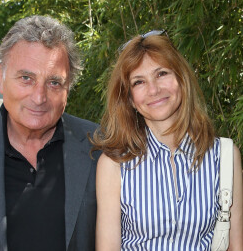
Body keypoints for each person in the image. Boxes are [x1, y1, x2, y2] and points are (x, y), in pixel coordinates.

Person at [0, 15, 101, 251]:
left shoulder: (99, 145)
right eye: (26, 78)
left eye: (54, 83)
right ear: (1, 76)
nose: (39, 97)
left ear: (68, 88)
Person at [92, 31, 243, 250]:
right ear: (130, 100)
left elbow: (235, 246)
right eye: (139, 82)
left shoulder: (225, 156)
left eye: (162, 73)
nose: (153, 89)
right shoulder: (114, 165)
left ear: (182, 79)